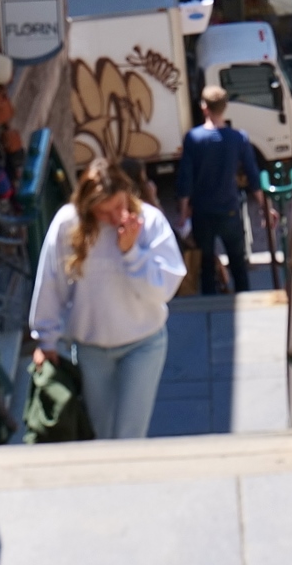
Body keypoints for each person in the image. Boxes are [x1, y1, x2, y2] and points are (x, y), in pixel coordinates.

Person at [28, 158, 185, 440]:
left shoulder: (149, 222)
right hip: (92, 347)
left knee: (128, 434)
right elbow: (51, 281)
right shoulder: (68, 224)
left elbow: (163, 290)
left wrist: (132, 253)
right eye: (104, 211)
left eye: (119, 206)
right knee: (101, 432)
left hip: (143, 343)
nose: (115, 218)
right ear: (88, 207)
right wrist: (45, 339)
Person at [177, 86, 265, 294]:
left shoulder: (193, 138)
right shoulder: (239, 138)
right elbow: (253, 176)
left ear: (204, 107)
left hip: (202, 212)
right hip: (229, 209)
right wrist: (264, 205)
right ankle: (244, 298)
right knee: (238, 264)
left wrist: (183, 211)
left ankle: (211, 303)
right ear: (225, 107)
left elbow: (185, 179)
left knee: (206, 265)